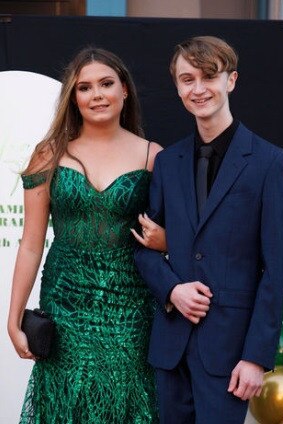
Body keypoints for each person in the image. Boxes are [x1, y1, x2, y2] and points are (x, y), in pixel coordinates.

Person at [134, 36, 283, 423]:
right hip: (170, 348)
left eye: (209, 76)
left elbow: (276, 270)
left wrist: (256, 356)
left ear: (231, 80)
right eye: (187, 79)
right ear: (177, 87)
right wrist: (172, 288)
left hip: (230, 352)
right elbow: (143, 246)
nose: (199, 88)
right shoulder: (168, 163)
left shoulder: (272, 163)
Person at [7, 46, 165, 423]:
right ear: (73, 98)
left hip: (130, 308)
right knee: (67, 404)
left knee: (125, 403)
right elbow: (31, 244)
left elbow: (178, 239)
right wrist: (13, 320)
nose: (96, 95)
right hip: (65, 304)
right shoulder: (48, 154)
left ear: (124, 90)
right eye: (84, 87)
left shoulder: (154, 157)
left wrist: (167, 241)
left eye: (106, 84)